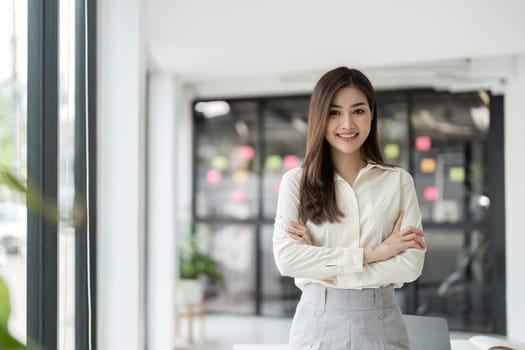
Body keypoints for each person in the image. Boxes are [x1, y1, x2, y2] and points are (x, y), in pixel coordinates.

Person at [272, 66, 427, 350]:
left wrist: (322, 266)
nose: (347, 124)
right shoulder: (296, 182)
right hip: (317, 322)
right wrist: (377, 253)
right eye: (334, 112)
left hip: (382, 323)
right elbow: (287, 260)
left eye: (357, 111)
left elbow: (409, 265)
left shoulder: (398, 182)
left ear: (371, 114)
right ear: (319, 117)